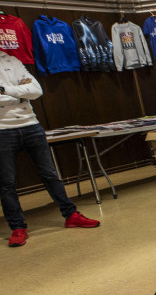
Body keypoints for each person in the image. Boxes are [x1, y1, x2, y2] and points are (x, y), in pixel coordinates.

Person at [0, 50, 99, 247]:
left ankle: (71, 215)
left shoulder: (11, 59)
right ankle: (18, 228)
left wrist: (5, 90)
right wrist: (21, 93)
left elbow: (36, 90)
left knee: (50, 174)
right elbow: (28, 93)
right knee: (6, 183)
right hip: (3, 130)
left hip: (31, 126)